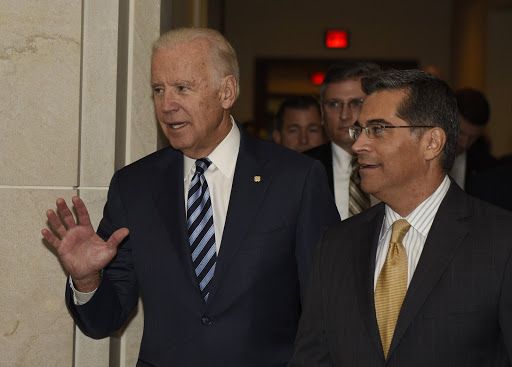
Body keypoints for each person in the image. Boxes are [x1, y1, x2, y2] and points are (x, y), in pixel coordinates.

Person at [42, 28, 339, 367]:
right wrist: (86, 279)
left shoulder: (295, 179)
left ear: (226, 92)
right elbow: (103, 321)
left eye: (182, 88)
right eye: (158, 90)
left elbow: (326, 310)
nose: (167, 106)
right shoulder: (134, 186)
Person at [290, 69, 512, 366]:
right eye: (360, 130)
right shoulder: (336, 244)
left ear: (431, 143)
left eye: (378, 129)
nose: (357, 145)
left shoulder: (501, 242)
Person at [304, 61, 381, 219]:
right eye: (334, 104)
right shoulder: (302, 168)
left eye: (356, 103)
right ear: (322, 112)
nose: (344, 115)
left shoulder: (397, 162)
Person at [450, 88, 497, 193]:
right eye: (460, 132)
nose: (464, 143)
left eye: (473, 137)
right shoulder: (423, 153)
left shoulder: (485, 166)